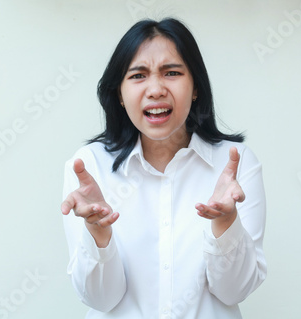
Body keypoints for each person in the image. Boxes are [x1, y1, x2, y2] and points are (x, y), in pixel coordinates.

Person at [61, 18, 266, 319]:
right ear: (119, 93)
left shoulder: (236, 164)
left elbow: (234, 292)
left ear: (195, 86)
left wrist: (226, 225)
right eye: (138, 75)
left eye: (172, 73)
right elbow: (101, 300)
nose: (155, 89)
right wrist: (97, 233)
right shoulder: (89, 168)